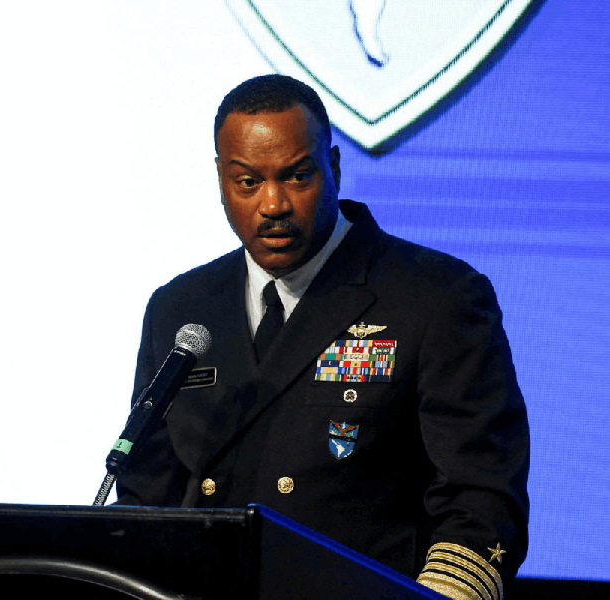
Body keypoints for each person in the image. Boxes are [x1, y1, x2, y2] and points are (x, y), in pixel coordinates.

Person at [115, 74, 529, 600]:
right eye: (247, 182)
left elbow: (483, 497)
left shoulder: (435, 297)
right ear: (220, 179)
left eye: (296, 177)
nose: (273, 205)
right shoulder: (181, 307)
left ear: (333, 167)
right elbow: (147, 495)